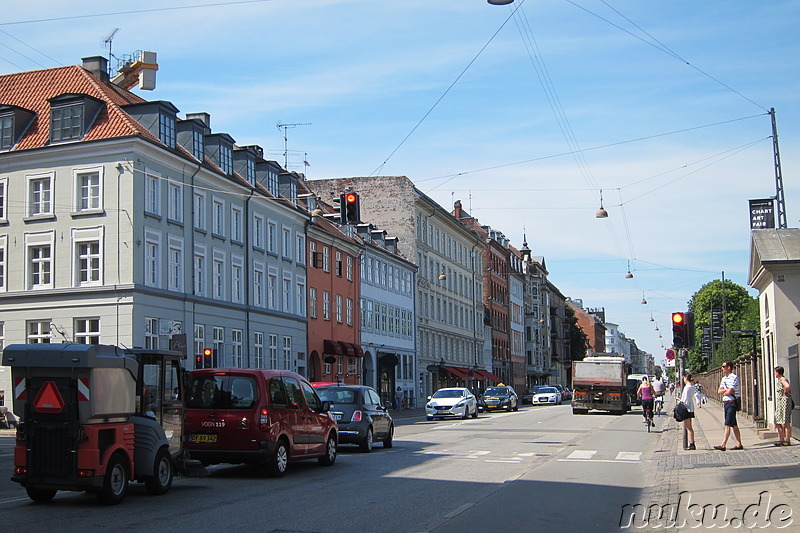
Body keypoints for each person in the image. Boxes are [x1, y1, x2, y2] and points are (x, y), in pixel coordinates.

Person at [715, 360, 743, 451]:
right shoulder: (724, 379)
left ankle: (723, 445)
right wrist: (724, 391)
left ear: (729, 367)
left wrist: (725, 390)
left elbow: (730, 391)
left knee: (727, 424)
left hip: (732, 402)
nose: (722, 368)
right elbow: (719, 391)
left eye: (723, 366)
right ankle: (739, 444)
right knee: (734, 425)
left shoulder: (734, 377)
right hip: (726, 403)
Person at [774, 366, 793, 446]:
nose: (774, 373)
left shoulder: (782, 379)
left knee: (785, 421)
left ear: (778, 373)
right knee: (778, 421)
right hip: (780, 403)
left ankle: (787, 440)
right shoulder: (780, 380)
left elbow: (787, 386)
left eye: (775, 372)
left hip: (784, 402)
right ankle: (781, 439)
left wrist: (785, 392)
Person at [679, 373, 697, 450]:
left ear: (686, 378)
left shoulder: (687, 388)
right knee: (689, 427)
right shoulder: (692, 387)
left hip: (686, 408)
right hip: (691, 407)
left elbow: (684, 400)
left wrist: (678, 399)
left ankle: (691, 444)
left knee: (688, 427)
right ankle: (691, 443)